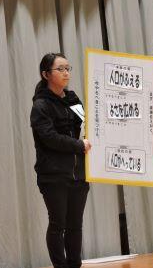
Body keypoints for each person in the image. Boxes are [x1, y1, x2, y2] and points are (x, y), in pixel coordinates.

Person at [30, 53, 91, 268]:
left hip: (79, 173)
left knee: (75, 225)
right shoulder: (41, 105)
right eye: (60, 69)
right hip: (53, 175)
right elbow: (49, 138)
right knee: (58, 224)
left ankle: (75, 264)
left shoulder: (73, 99)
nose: (66, 73)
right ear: (46, 74)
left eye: (68, 68)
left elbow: (87, 127)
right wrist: (78, 145)